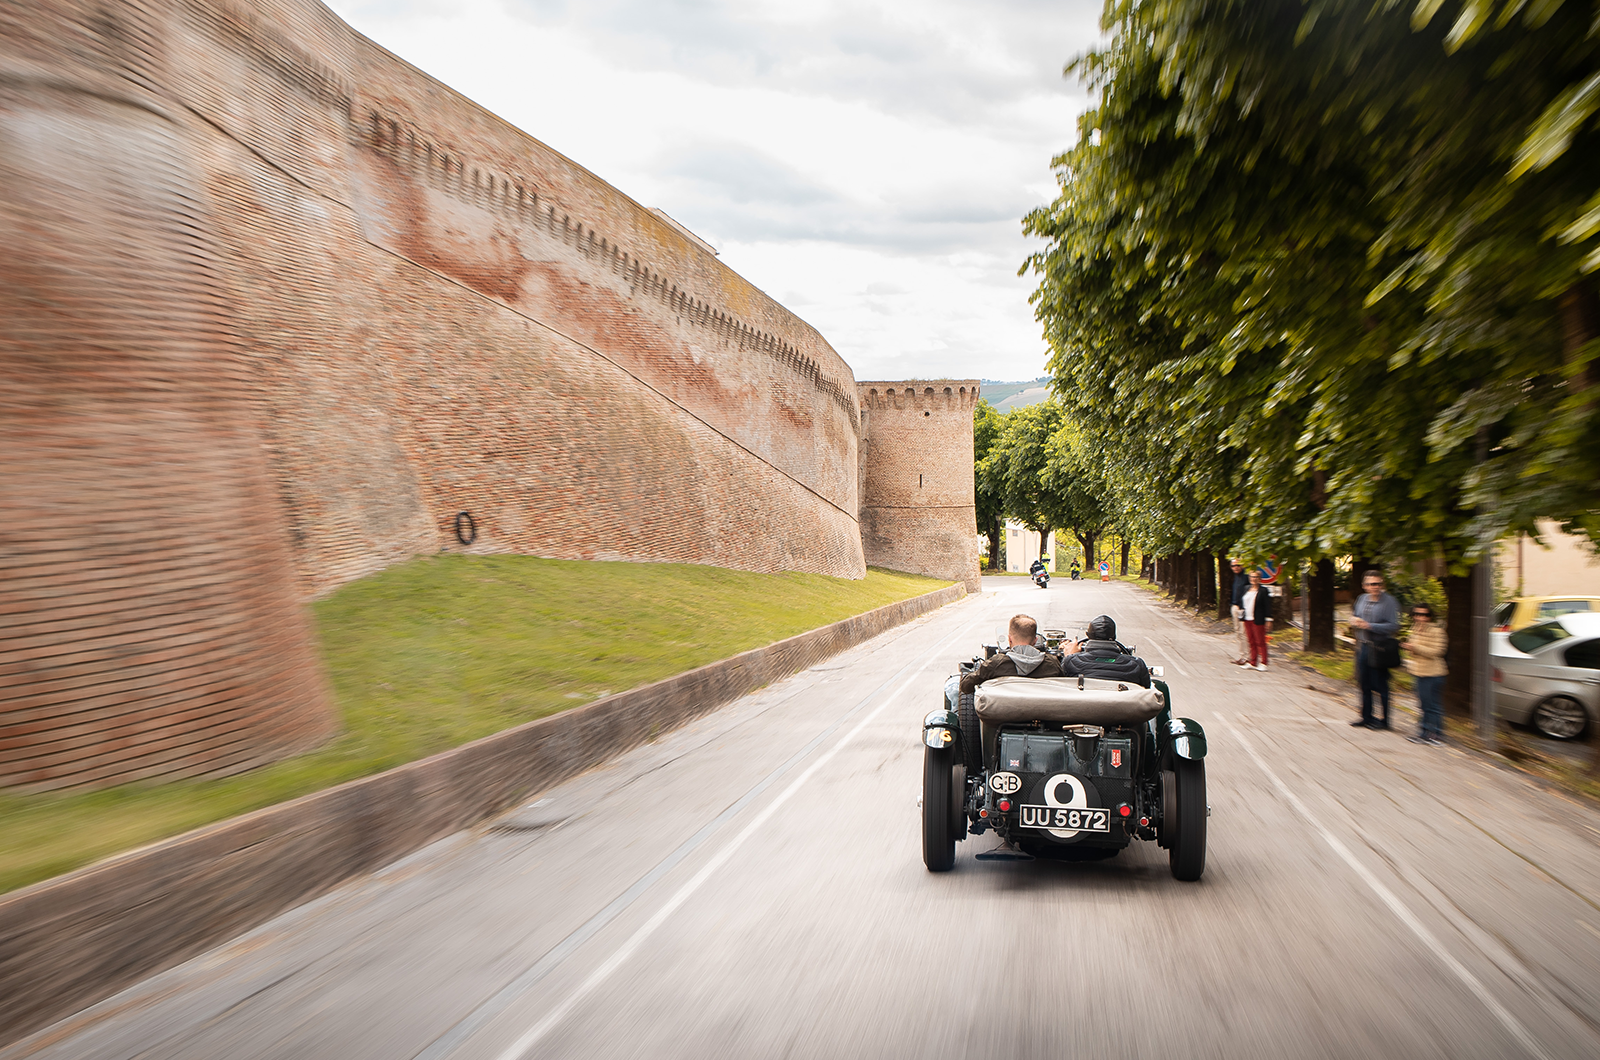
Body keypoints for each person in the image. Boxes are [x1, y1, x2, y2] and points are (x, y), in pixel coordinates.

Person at [1349, 569, 1400, 729]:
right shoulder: (1361, 599)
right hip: (1364, 646)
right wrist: (1354, 621)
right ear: (1364, 586)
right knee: (1364, 683)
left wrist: (1370, 626)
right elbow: (1355, 616)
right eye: (1371, 584)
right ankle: (1366, 717)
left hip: (1380, 648)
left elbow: (1394, 626)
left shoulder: (1389, 601)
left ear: (1382, 584)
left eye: (1377, 584)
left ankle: (1385, 721)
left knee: (1381, 685)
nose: (1374, 587)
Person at [1060, 614, 1150, 686]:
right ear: (1114, 636)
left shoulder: (1070, 661)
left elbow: (1061, 685)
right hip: (1123, 708)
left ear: (1088, 635)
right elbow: (1145, 690)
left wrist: (1069, 655)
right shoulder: (1137, 664)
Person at [1402, 603, 1448, 744]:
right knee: (1426, 704)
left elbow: (1437, 652)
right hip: (1419, 672)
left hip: (1433, 673)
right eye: (1417, 614)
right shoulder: (1415, 629)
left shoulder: (1437, 631)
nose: (1421, 617)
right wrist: (1409, 648)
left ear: (1430, 616)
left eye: (1425, 614)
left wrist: (1415, 647)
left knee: (1430, 705)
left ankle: (1429, 733)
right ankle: (1434, 733)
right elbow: (1413, 651)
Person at [1240, 570, 1273, 671]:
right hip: (1247, 618)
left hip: (1258, 618)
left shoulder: (1263, 591)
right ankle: (1253, 661)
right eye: (1251, 577)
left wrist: (1269, 619)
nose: (1253, 579)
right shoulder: (1246, 588)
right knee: (1251, 641)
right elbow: (1243, 603)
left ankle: (1264, 662)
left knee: (1260, 641)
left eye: (1255, 577)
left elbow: (1267, 606)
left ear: (1259, 579)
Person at [1229, 559, 1251, 665]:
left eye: (1237, 565)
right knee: (1237, 632)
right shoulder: (1236, 577)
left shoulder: (1246, 576)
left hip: (1243, 608)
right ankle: (1241, 655)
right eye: (1233, 566)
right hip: (1235, 606)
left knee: (1243, 633)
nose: (1235, 567)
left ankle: (1247, 656)